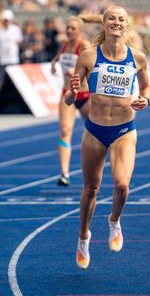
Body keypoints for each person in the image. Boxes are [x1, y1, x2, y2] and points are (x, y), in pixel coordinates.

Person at [65, 6, 150, 269]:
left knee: (122, 185)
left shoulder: (137, 58)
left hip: (124, 130)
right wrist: (73, 91)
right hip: (95, 129)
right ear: (103, 24)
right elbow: (71, 96)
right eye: (111, 18)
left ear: (127, 25)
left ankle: (114, 220)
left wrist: (145, 99)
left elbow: (146, 85)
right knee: (90, 189)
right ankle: (83, 238)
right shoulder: (89, 56)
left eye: (121, 19)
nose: (116, 22)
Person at [50, 16, 92, 186]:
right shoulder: (66, 45)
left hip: (85, 95)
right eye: (67, 27)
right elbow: (57, 58)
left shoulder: (84, 46)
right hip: (67, 94)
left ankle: (96, 167)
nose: (69, 30)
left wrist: (75, 72)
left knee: (95, 133)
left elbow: (93, 66)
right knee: (65, 131)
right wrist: (53, 65)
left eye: (73, 28)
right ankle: (64, 174)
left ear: (80, 31)